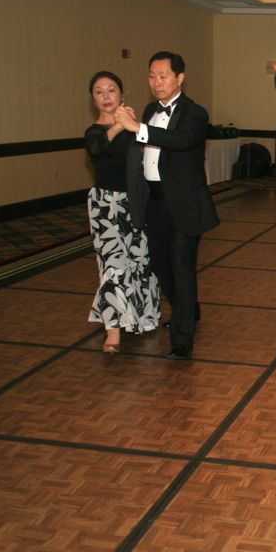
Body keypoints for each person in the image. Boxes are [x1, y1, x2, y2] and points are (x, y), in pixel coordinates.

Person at [114, 51, 219, 360]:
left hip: (185, 203)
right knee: (161, 267)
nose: (156, 82)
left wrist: (137, 128)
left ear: (179, 78)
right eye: (151, 76)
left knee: (182, 268)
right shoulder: (148, 110)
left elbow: (180, 140)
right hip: (155, 203)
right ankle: (189, 308)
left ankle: (182, 341)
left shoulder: (195, 113)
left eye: (162, 76)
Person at [84, 71, 160, 353]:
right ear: (93, 99)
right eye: (99, 92)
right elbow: (98, 148)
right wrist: (118, 125)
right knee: (113, 266)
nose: (106, 96)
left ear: (122, 94)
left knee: (140, 261)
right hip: (105, 205)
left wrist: (133, 125)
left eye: (111, 90)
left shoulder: (136, 129)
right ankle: (113, 330)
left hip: (136, 202)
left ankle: (143, 318)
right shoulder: (94, 132)